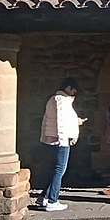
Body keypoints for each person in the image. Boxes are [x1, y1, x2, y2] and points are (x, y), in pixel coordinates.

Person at [36, 77, 86, 211]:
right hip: (60, 140)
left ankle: (44, 197)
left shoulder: (53, 99)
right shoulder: (62, 101)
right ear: (68, 87)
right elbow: (61, 121)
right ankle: (53, 201)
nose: (74, 92)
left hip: (51, 139)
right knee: (59, 170)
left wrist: (77, 121)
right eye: (73, 89)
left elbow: (50, 120)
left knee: (54, 170)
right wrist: (64, 140)